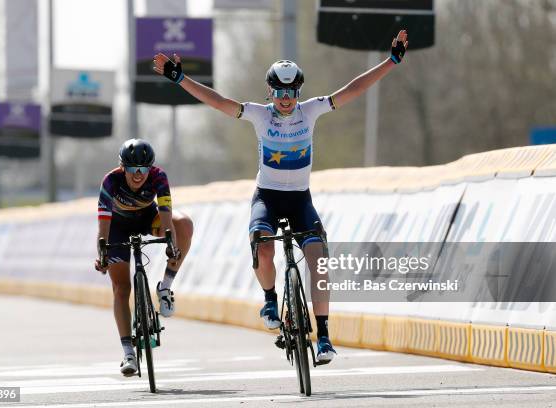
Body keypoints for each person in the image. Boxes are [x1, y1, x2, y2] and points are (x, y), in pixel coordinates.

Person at [153, 30, 409, 364]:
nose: (285, 98)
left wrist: (390, 61)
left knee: (319, 263)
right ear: (270, 92)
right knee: (263, 245)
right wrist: (180, 78)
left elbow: (353, 89)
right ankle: (270, 299)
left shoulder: (311, 110)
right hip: (268, 198)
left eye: (291, 91)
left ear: (298, 91)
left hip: (300, 199)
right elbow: (219, 102)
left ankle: (325, 337)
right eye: (279, 92)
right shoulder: (260, 115)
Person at [95, 138, 194, 376]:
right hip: (117, 226)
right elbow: (103, 225)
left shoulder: (159, 177)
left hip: (148, 219)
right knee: (121, 288)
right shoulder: (110, 181)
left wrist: (171, 242)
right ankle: (128, 353)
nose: (138, 174)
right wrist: (103, 253)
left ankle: (166, 287)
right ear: (122, 167)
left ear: (150, 167)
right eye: (132, 169)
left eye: (143, 169)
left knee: (184, 224)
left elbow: (166, 212)